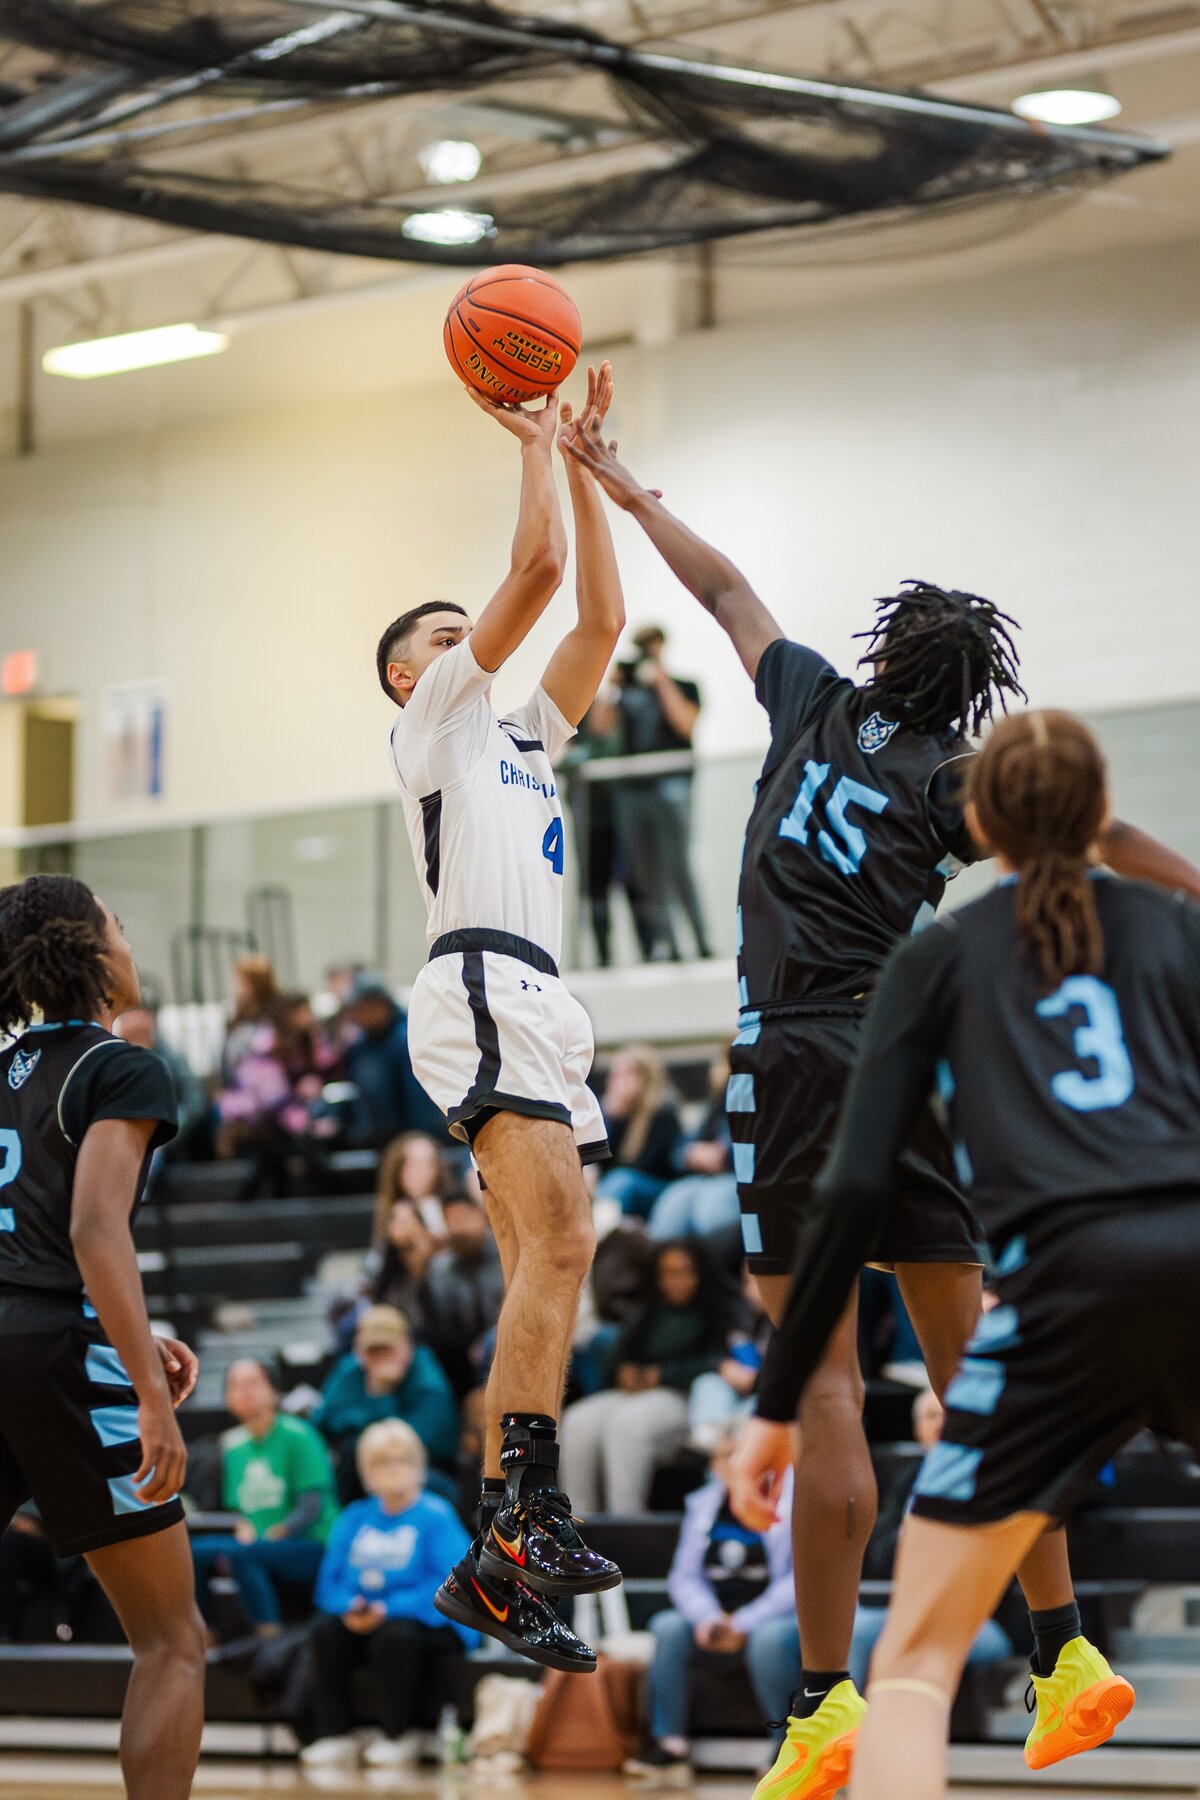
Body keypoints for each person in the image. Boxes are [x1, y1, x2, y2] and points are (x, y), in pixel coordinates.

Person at [564, 415, 1200, 1790]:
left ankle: (823, 1699)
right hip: (911, 1062)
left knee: (833, 1382)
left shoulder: (812, 704)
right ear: (976, 696)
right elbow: (1090, 836)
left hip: (795, 1057)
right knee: (979, 1374)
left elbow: (726, 592)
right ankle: (1065, 1650)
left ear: (881, 655)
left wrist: (626, 492)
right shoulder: (961, 786)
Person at [741, 710, 1200, 1798]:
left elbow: (852, 1192)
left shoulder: (938, 952)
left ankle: (895, 1709)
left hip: (1064, 1295)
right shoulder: (1175, 931)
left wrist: (772, 1402)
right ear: (1099, 816)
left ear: (979, 821)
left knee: (911, 1663)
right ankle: (1066, 1652)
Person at [376, 362, 627, 1672]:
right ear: (407, 674)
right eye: (445, 628)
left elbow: (595, 607)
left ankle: (500, 1548)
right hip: (477, 977)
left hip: (539, 991)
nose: (468, 631)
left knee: (561, 1255)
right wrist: (535, 443)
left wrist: (583, 468)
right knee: (564, 1245)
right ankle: (517, 1515)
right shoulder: (435, 725)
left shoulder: (524, 731)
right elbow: (530, 578)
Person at [0, 874, 205, 1800]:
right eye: (119, 925)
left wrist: (131, 1331)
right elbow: (91, 1231)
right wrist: (150, 1398)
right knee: (172, 1641)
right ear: (92, 951)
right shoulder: (121, 1065)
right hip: (52, 1356)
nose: (129, 940)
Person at [624, 1423, 798, 1785]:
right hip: (717, 1617)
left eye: (740, 1452)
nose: (731, 1462)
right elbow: (684, 1577)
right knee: (668, 1626)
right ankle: (671, 1747)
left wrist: (744, 1621)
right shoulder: (703, 1504)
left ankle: (785, 1747)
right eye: (723, 1455)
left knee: (769, 1639)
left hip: (775, 1620)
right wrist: (707, 1618)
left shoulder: (793, 1499)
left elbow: (799, 1582)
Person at [302, 1420, 477, 1770]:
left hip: (434, 1622)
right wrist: (352, 1607)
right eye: (383, 1461)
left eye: (403, 1460)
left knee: (394, 1637)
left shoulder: (436, 1515)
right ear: (367, 1470)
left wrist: (389, 1608)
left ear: (419, 1466)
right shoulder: (355, 1517)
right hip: (369, 1615)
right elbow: (329, 1583)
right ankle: (336, 1734)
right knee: (326, 1631)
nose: (394, 1469)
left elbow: (455, 1583)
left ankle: (399, 1735)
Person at [849, 1389, 1013, 1694]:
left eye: (946, 1415)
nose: (939, 1423)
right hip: (901, 1611)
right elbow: (878, 1559)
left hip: (971, 1618)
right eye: (930, 1416)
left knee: (872, 1635)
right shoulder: (906, 1483)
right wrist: (909, 1534)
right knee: (855, 1630)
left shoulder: (986, 1477)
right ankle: (846, 1737)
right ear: (916, 1429)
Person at [560, 1240, 732, 1513]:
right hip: (637, 1393)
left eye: (684, 1272)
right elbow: (618, 1356)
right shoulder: (650, 1312)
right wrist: (623, 1372)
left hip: (688, 1396)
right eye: (668, 1273)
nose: (675, 1281)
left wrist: (663, 1374)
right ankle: (579, 1525)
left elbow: (721, 1364)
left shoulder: (718, 1311)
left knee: (627, 1426)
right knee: (578, 1421)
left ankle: (627, 1525)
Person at [192, 1360, 338, 1634]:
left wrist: (274, 1534)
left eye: (253, 1384)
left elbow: (311, 1507)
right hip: (257, 1545)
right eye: (236, 1386)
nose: (245, 1392)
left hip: (311, 1543)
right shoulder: (232, 1445)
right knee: (192, 1554)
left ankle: (269, 1636)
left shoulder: (299, 1435)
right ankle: (207, 1634)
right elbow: (240, 1510)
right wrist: (245, 1528)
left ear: (274, 1391)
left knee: (245, 1554)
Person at [612, 625, 713, 962]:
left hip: (672, 783)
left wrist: (661, 681)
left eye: (650, 646)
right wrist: (610, 687)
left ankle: (700, 942)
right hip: (633, 789)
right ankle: (666, 945)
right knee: (645, 872)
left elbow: (685, 723)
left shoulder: (685, 685)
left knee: (679, 866)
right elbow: (601, 727)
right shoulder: (627, 690)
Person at [315, 1305, 459, 1485]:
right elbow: (321, 1423)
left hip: (426, 1476)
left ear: (407, 1345)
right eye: (373, 1350)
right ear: (359, 1349)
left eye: (387, 1349)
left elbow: (410, 1446)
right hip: (358, 1472)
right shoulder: (350, 1371)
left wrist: (381, 1394)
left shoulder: (428, 1384)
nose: (381, 1358)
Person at [647, 1052, 740, 1242]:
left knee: (710, 1210)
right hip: (704, 1177)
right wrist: (690, 1154)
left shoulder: (755, 1095)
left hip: (737, 1176)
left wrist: (725, 1156)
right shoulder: (719, 1101)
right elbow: (679, 1150)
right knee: (671, 1206)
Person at [341, 984, 445, 1148]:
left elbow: (419, 1103)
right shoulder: (360, 1046)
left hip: (412, 1141)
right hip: (379, 1141)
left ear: (378, 1005)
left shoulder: (407, 1040)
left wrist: (419, 1141)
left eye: (359, 1009)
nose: (356, 1016)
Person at [596, 1048, 684, 1219]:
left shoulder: (663, 1112)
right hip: (624, 1184)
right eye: (615, 1076)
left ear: (645, 1078)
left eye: (626, 1075)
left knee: (621, 1181)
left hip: (660, 1188)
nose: (617, 1083)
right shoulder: (614, 1114)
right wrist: (612, 1121)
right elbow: (603, 1166)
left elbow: (652, 1165)